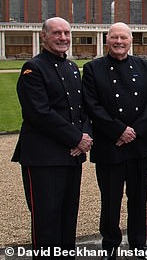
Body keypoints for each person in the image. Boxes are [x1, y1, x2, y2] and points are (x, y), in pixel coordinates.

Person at [12, 17, 93, 256]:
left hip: (71, 155)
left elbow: (82, 109)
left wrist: (85, 135)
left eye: (66, 33)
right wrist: (76, 139)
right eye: (56, 33)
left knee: (69, 214)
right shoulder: (33, 68)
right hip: (43, 157)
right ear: (43, 36)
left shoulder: (70, 67)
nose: (63, 38)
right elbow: (39, 113)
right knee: (46, 218)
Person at [82, 22, 147, 259]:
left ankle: (138, 243)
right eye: (115, 37)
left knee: (138, 198)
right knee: (110, 200)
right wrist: (118, 131)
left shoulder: (145, 66)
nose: (119, 42)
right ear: (107, 40)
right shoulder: (93, 68)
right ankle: (110, 243)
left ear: (131, 40)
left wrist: (134, 131)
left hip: (139, 145)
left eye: (124, 37)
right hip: (109, 145)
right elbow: (92, 105)